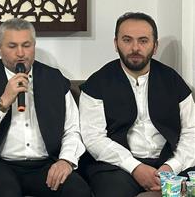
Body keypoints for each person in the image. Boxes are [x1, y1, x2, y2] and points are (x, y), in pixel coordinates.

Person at [0, 18, 90, 197]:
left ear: (34, 46)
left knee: (78, 191)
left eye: (26, 45)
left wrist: (66, 160)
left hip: (46, 163)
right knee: (7, 193)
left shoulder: (54, 79)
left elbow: (72, 129)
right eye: (12, 46)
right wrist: (3, 102)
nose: (20, 53)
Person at [79, 12, 195, 197]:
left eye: (143, 41)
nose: (135, 48)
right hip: (117, 167)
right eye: (127, 40)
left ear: (155, 46)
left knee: (187, 191)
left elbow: (191, 132)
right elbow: (93, 138)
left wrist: (171, 166)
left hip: (170, 162)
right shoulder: (97, 83)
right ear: (116, 43)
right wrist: (135, 167)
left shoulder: (173, 81)